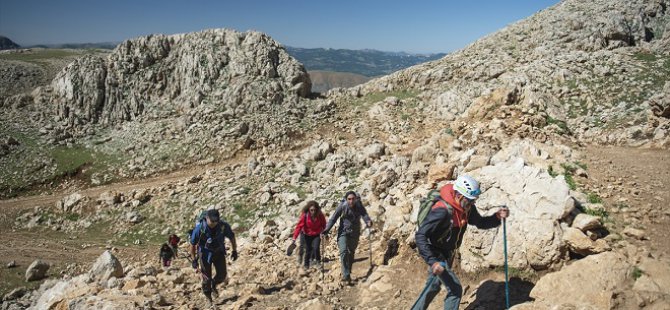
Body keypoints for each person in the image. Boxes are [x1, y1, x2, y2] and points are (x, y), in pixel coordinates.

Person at [412, 175, 509, 310]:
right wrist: (433, 261)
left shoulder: (466, 208)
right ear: (460, 196)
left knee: (433, 286)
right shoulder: (442, 211)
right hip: (435, 252)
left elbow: (480, 223)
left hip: (447, 252)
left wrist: (497, 217)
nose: (472, 204)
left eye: (473, 200)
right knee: (455, 290)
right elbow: (421, 235)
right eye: (470, 200)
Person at [322, 191, 372, 284]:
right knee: (343, 251)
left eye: (353, 199)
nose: (351, 201)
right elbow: (333, 218)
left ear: (356, 199)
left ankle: (348, 271)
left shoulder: (359, 206)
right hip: (343, 232)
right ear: (346, 199)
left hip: (355, 232)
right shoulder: (342, 206)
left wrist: (368, 221)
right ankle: (346, 275)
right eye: (349, 199)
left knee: (351, 252)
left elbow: (364, 214)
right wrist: (326, 230)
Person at [189, 209, 238, 303]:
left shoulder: (223, 226)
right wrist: (194, 259)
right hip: (205, 254)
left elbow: (231, 236)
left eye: (216, 221)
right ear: (207, 218)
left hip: (219, 252)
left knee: (222, 275)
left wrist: (234, 250)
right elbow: (192, 244)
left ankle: (214, 284)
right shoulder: (200, 229)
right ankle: (208, 299)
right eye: (212, 221)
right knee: (206, 278)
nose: (214, 223)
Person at [291, 201, 327, 271]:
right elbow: (299, 227)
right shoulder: (305, 216)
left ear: (317, 209)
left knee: (316, 248)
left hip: (317, 234)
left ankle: (318, 262)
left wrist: (324, 233)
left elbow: (324, 224)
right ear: (309, 210)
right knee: (308, 250)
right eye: (311, 210)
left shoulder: (319, 215)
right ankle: (306, 265)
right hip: (307, 234)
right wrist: (294, 238)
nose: (313, 212)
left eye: (314, 210)